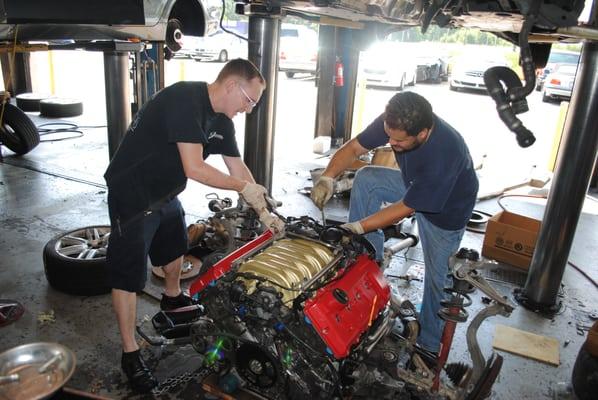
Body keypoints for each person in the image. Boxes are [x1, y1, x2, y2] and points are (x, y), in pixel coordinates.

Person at [104, 58, 283, 393]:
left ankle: (172, 299)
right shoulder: (185, 100)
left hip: (166, 191)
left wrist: (262, 205)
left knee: (174, 250)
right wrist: (242, 189)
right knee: (128, 277)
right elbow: (195, 168)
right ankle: (130, 352)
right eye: (250, 101)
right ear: (232, 85)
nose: (249, 109)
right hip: (133, 193)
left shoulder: (223, 121)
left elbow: (236, 166)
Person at [311, 91, 478, 355]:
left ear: (422, 134)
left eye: (398, 141)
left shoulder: (445, 151)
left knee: (438, 283)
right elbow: (355, 147)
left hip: (447, 209)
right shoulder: (398, 120)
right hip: (416, 184)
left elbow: (405, 207)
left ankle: (428, 347)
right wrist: (328, 177)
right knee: (367, 178)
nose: (389, 142)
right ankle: (368, 260)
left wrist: (356, 227)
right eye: (388, 135)